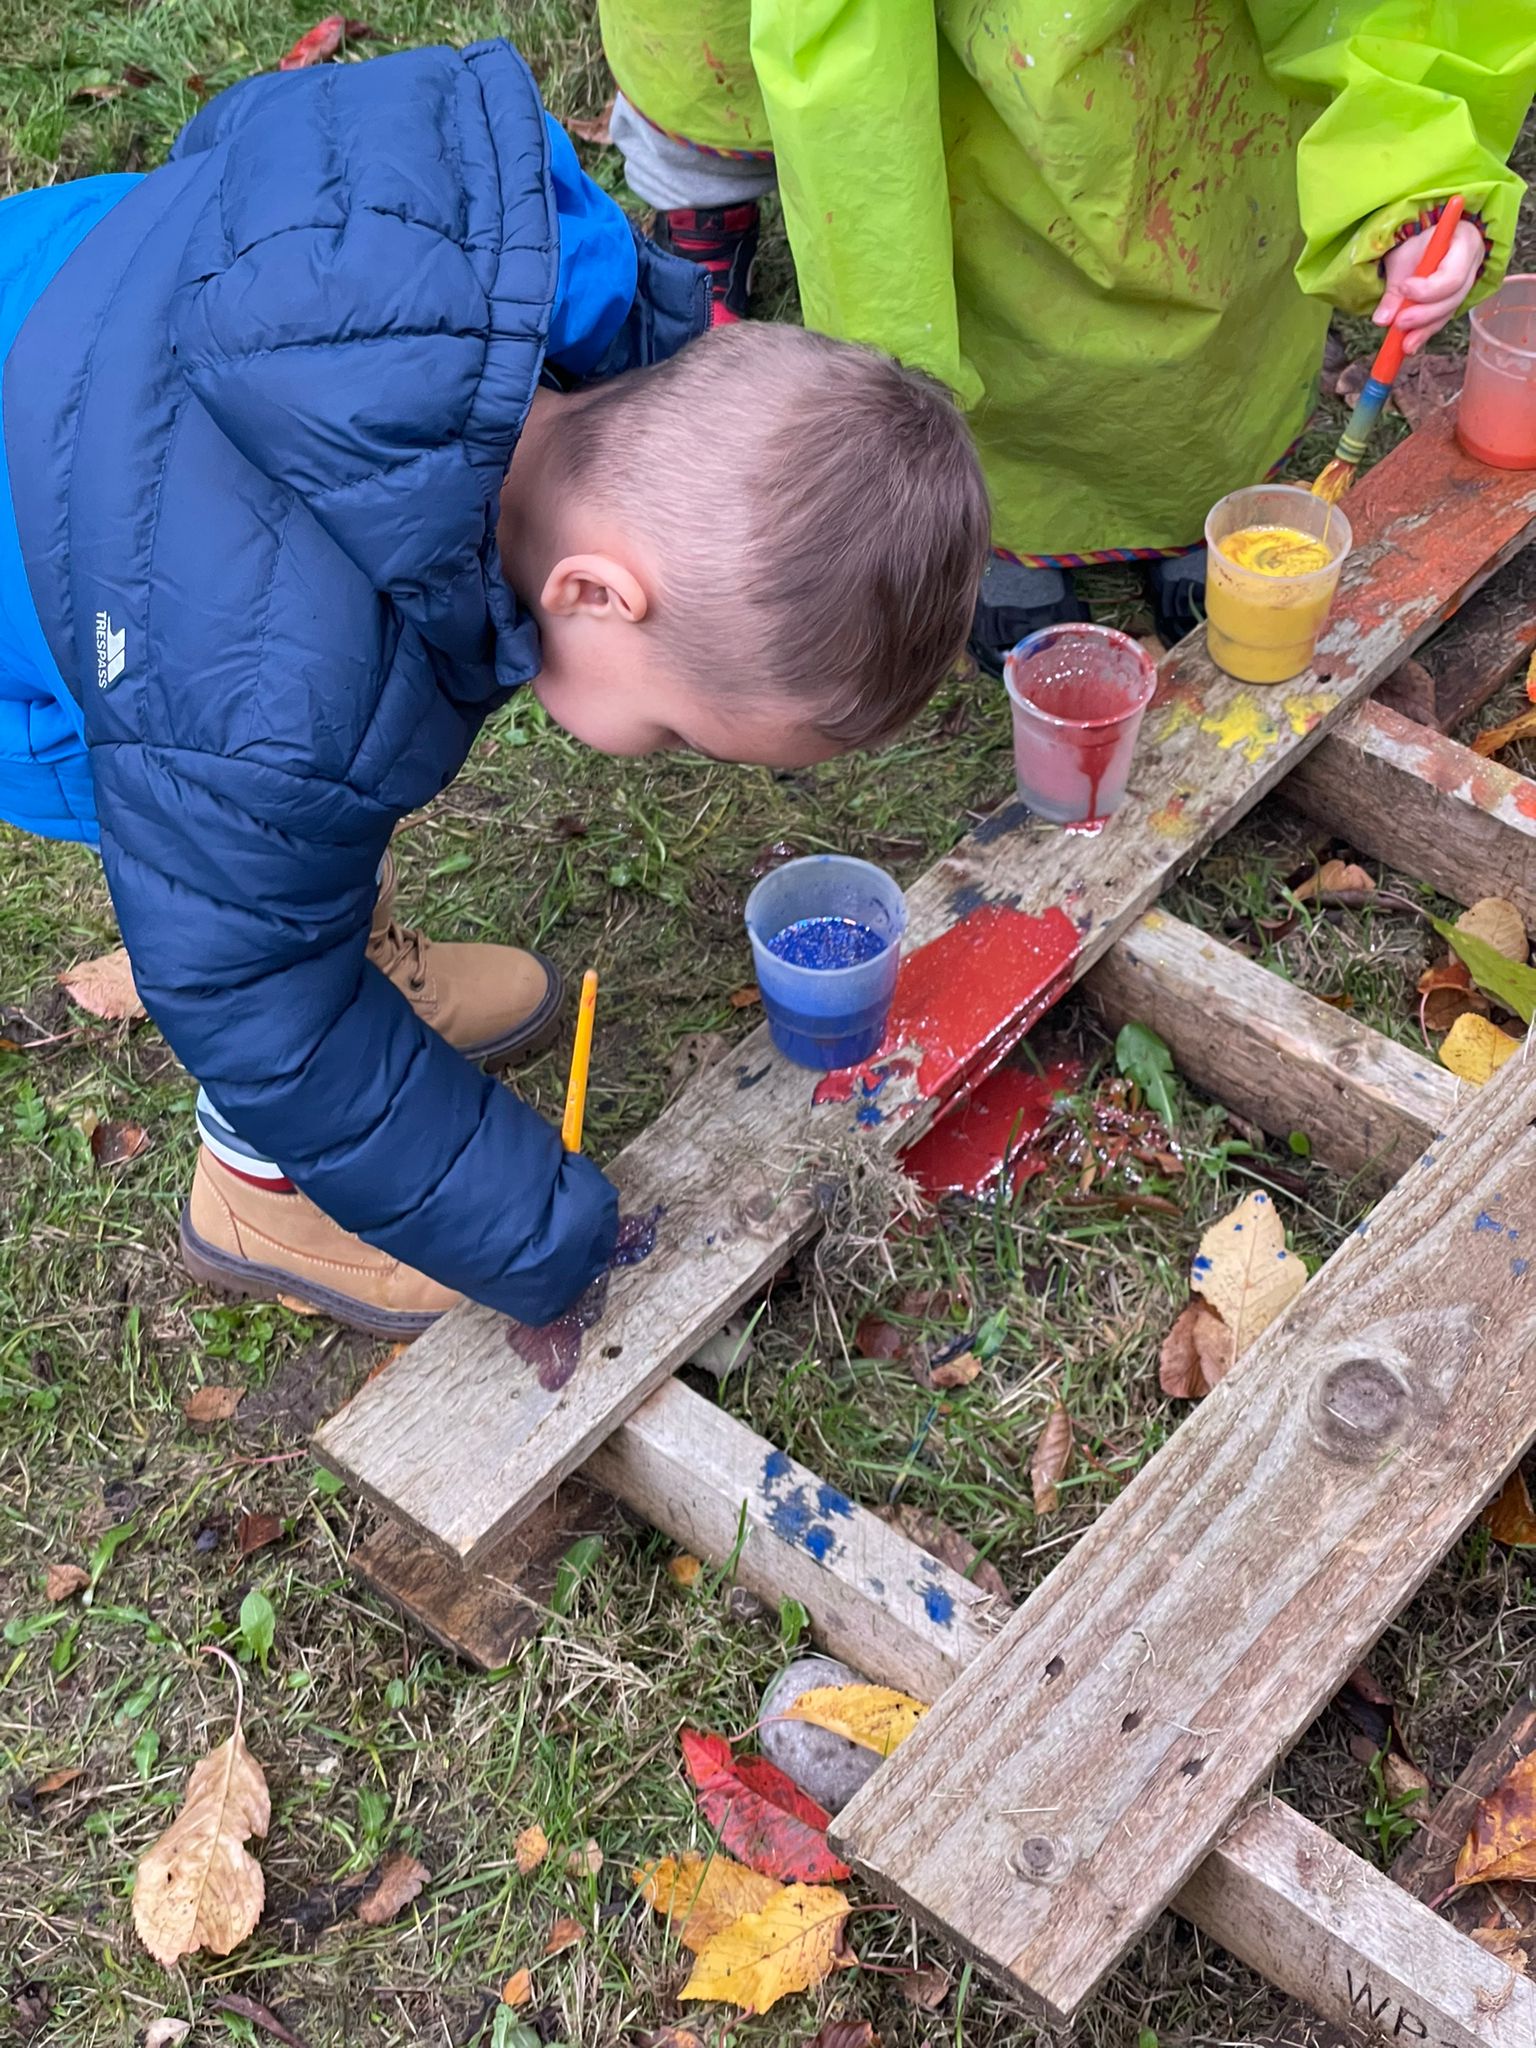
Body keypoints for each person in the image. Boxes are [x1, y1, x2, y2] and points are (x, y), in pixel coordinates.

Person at [0, 39, 989, 1337]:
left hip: (88, 295)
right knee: (237, 905)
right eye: (682, 730)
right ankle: (259, 1193)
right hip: (78, 573)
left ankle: (346, 934)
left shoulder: (543, 276)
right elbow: (251, 1001)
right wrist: (543, 1232)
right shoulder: (262, 700)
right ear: (592, 592)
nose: (661, 753)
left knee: (313, 797)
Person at [598, 1, 1536, 659]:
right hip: (957, 78)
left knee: (1202, 240)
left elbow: (1390, 10)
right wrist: (892, 351)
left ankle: (1192, 491)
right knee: (985, 283)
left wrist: (1412, 172)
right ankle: (997, 535)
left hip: (1212, 73)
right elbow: (851, 91)